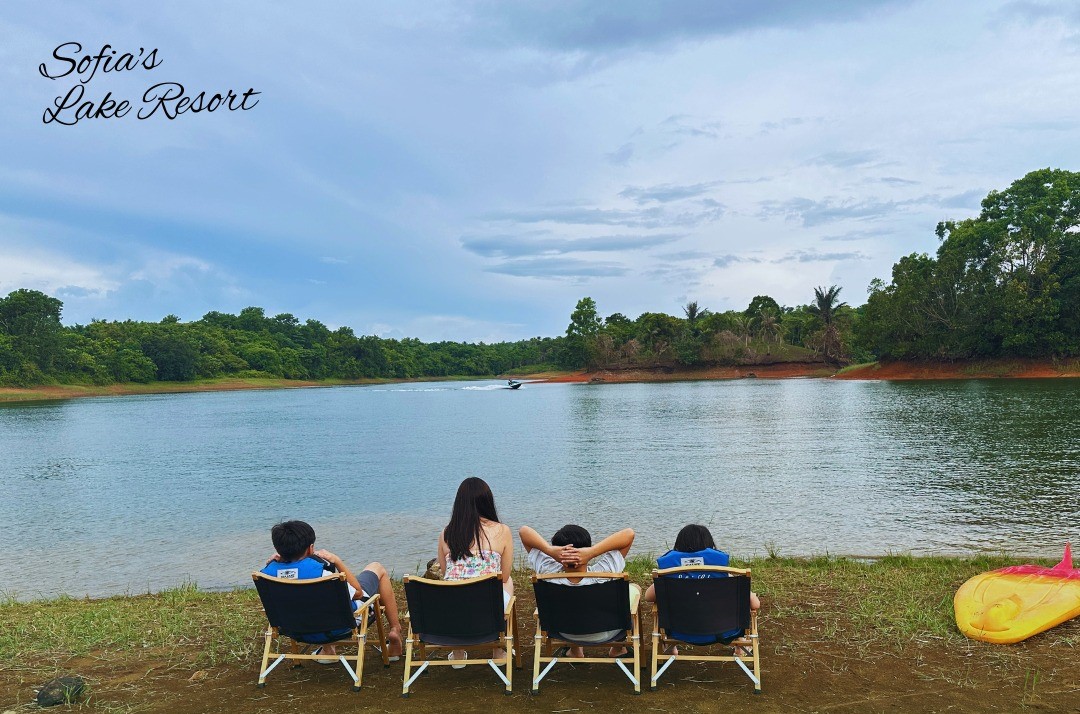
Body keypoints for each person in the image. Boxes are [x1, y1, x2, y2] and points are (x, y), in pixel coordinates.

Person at [261, 520, 402, 662]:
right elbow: (358, 593)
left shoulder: (266, 575)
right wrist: (337, 561)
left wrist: (271, 564)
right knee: (377, 568)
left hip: (292, 628)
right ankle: (395, 630)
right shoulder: (324, 575)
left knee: (313, 601)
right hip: (339, 627)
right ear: (310, 549)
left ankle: (328, 650)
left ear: (278, 549)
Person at [519, 523, 637, 657]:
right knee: (633, 591)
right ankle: (618, 649)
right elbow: (629, 533)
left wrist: (550, 550)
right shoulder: (605, 573)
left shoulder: (547, 571)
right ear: (586, 549)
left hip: (563, 632)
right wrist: (592, 552)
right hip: (608, 632)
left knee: (572, 606)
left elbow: (524, 531)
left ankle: (575, 650)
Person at [643, 523, 760, 655]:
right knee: (734, 606)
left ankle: (670, 647)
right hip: (721, 630)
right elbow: (755, 604)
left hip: (679, 631)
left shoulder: (668, 575)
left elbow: (648, 597)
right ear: (709, 545)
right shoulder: (724, 574)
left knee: (667, 606)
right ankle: (740, 646)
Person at [437, 477, 515, 665]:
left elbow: (445, 570)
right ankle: (498, 649)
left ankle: (457, 654)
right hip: (487, 606)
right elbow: (503, 575)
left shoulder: (447, 533)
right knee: (508, 580)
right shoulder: (502, 530)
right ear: (488, 502)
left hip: (452, 608)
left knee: (454, 585)